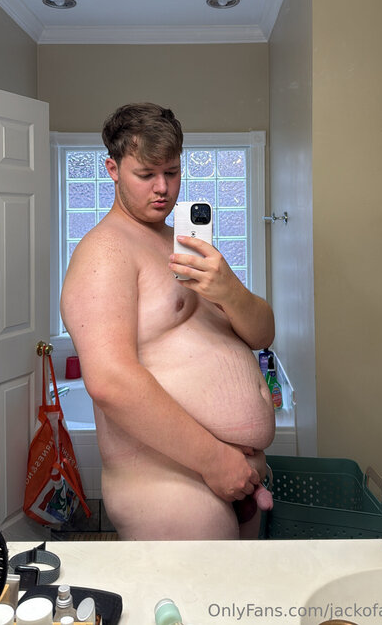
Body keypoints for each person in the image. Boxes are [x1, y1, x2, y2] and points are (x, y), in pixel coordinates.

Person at [61, 103, 276, 540]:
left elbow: (262, 334)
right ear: (113, 169)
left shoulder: (184, 244)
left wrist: (229, 290)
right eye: (146, 174)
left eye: (172, 172)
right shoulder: (106, 251)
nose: (162, 188)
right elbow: (110, 382)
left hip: (233, 475)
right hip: (168, 483)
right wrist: (215, 460)